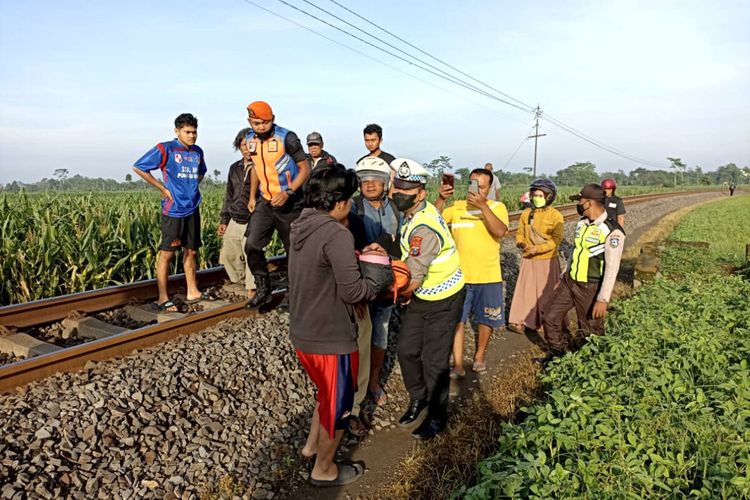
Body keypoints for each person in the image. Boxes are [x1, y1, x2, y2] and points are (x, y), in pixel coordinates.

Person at [290, 165, 380, 487]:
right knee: (339, 405)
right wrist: (376, 283)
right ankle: (324, 468)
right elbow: (354, 291)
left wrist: (352, 257)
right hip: (332, 339)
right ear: (339, 201)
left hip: (303, 334)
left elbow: (323, 266)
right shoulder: (337, 233)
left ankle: (311, 446)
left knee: (325, 394)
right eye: (350, 199)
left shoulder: (301, 225)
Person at [388, 157, 465, 440]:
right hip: (423, 295)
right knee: (407, 350)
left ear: (419, 194)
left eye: (406, 193)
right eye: (397, 190)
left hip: (444, 297)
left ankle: (436, 415)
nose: (399, 196)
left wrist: (389, 292)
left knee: (434, 361)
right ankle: (419, 396)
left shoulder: (424, 230)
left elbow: (414, 279)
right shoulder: (418, 211)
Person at [436, 168, 509, 378]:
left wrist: (483, 205)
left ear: (489, 188)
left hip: (488, 276)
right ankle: (458, 364)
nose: (476, 190)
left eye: (482, 186)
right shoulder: (457, 207)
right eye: (472, 184)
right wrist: (441, 199)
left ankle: (479, 356)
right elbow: (432, 218)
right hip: (458, 277)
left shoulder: (498, 207)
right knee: (457, 320)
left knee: (486, 319)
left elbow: (500, 231)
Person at [540, 184, 626, 360]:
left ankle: (592, 365)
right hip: (570, 281)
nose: (578, 204)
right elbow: (575, 252)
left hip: (591, 286)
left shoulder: (613, 231)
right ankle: (558, 356)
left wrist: (602, 299)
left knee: (590, 330)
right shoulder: (581, 224)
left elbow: (612, 267)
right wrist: (563, 275)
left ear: (590, 203)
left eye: (580, 200)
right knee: (550, 315)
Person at [132, 113, 207, 311]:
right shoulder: (166, 148)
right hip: (173, 210)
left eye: (194, 132)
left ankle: (193, 291)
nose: (192, 136)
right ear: (177, 131)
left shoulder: (197, 151)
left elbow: (201, 172)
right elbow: (139, 167)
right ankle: (162, 297)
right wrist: (163, 189)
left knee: (191, 251)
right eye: (187, 132)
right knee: (167, 253)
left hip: (193, 207)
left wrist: (191, 187)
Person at [244, 100, 311, 308]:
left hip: (290, 202)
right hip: (265, 200)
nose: (261, 126)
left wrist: (288, 192)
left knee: (293, 251)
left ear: (273, 119)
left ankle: (294, 294)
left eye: (265, 122)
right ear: (249, 122)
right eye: (256, 123)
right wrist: (252, 196)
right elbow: (256, 168)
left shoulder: (286, 138)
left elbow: (305, 167)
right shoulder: (249, 140)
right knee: (252, 244)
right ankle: (263, 288)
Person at [352, 156, 402, 406]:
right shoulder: (352, 207)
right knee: (358, 335)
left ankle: (372, 381)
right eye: (365, 180)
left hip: (386, 284)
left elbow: (402, 240)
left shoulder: (394, 208)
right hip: (360, 283)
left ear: (385, 183)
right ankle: (355, 385)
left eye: (375, 180)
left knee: (380, 333)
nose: (370, 184)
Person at [507, 179, 564, 335]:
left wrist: (538, 249)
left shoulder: (555, 215)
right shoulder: (526, 213)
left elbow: (556, 239)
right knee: (525, 291)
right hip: (528, 259)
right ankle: (519, 320)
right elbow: (519, 233)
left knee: (547, 293)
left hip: (547, 260)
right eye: (535, 195)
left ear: (549, 197)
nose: (537, 198)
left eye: (540, 195)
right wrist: (521, 244)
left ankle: (546, 323)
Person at [218, 128, 255, 296]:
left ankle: (252, 287)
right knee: (227, 254)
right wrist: (224, 220)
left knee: (251, 252)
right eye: (243, 145)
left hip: (254, 218)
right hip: (235, 216)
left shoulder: (262, 167)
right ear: (239, 147)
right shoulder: (234, 168)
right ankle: (241, 279)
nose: (246, 148)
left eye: (249, 145)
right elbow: (229, 194)